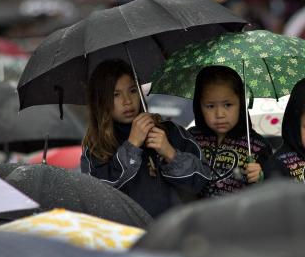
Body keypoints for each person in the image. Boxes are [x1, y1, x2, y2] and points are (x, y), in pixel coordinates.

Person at [80, 59, 211, 217]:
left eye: (133, 91)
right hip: (128, 235)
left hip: (174, 232)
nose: (127, 101)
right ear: (101, 101)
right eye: (116, 95)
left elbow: (202, 180)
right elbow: (98, 195)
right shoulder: (97, 146)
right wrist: (132, 145)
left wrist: (170, 153)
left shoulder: (169, 131)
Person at [188, 65, 273, 198]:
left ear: (240, 104)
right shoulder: (190, 139)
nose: (220, 114)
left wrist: (261, 177)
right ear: (199, 106)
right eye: (210, 106)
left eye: (227, 105)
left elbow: (273, 191)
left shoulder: (258, 146)